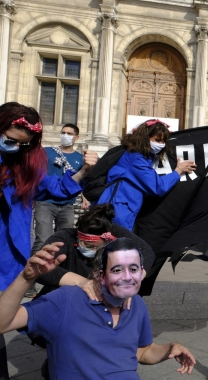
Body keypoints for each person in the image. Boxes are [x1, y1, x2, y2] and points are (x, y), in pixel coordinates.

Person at [0, 238, 196, 379]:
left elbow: (141, 352)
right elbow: (3, 323)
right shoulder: (67, 300)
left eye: (134, 269)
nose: (127, 277)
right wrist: (26, 278)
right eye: (117, 270)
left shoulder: (136, 304)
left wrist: (170, 349)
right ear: (100, 275)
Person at [0, 102, 97, 380]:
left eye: (24, 145)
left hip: (8, 259)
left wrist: (84, 171)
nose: (16, 148)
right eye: (10, 142)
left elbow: (55, 187)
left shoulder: (25, 165)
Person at [34, 203, 155, 300]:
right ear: (78, 237)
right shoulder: (64, 237)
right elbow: (40, 268)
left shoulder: (114, 234)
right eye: (88, 245)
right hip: (60, 301)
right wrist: (84, 283)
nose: (93, 251)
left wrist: (129, 284)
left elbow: (147, 252)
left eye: (98, 248)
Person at [97, 119, 196, 230]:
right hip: (117, 210)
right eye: (157, 140)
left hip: (123, 207)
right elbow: (158, 187)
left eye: (163, 141)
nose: (161, 145)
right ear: (145, 138)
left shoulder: (142, 157)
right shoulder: (136, 158)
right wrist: (178, 170)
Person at [28, 123, 84, 298]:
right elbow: (37, 174)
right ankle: (29, 280)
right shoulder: (47, 152)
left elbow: (82, 182)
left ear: (76, 137)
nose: (65, 135)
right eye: (63, 133)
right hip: (45, 203)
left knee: (63, 244)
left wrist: (86, 197)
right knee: (42, 240)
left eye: (69, 133)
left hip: (67, 205)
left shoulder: (79, 158)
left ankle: (56, 279)